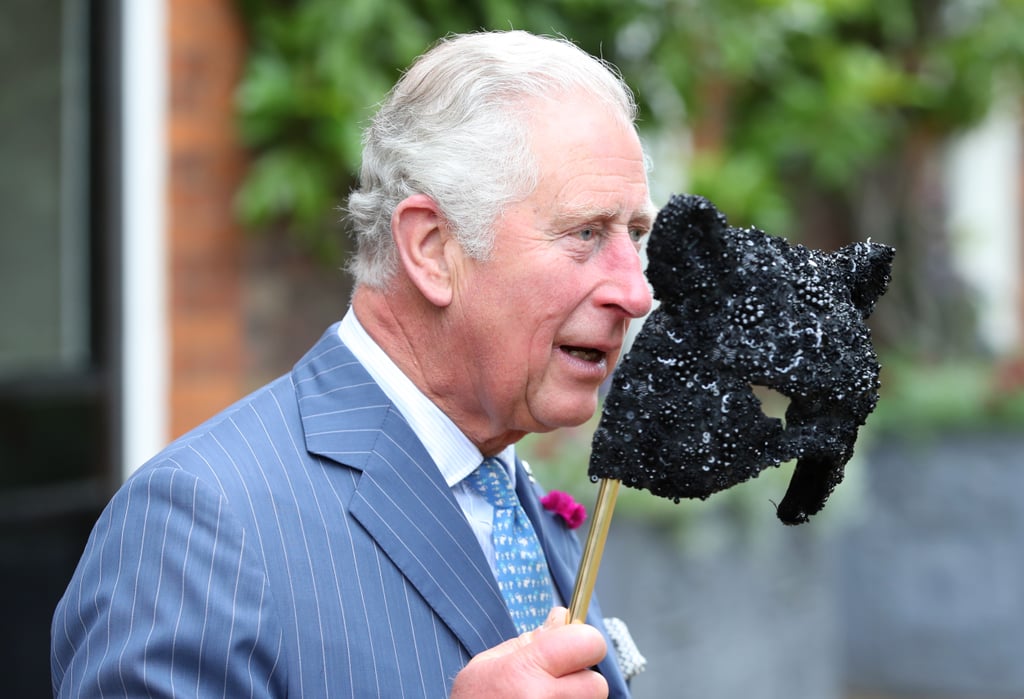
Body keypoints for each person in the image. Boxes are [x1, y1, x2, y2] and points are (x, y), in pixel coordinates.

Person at [51, 29, 654, 698]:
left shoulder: (522, 504)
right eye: (586, 233)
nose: (635, 291)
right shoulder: (200, 522)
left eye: (635, 235)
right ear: (430, 248)